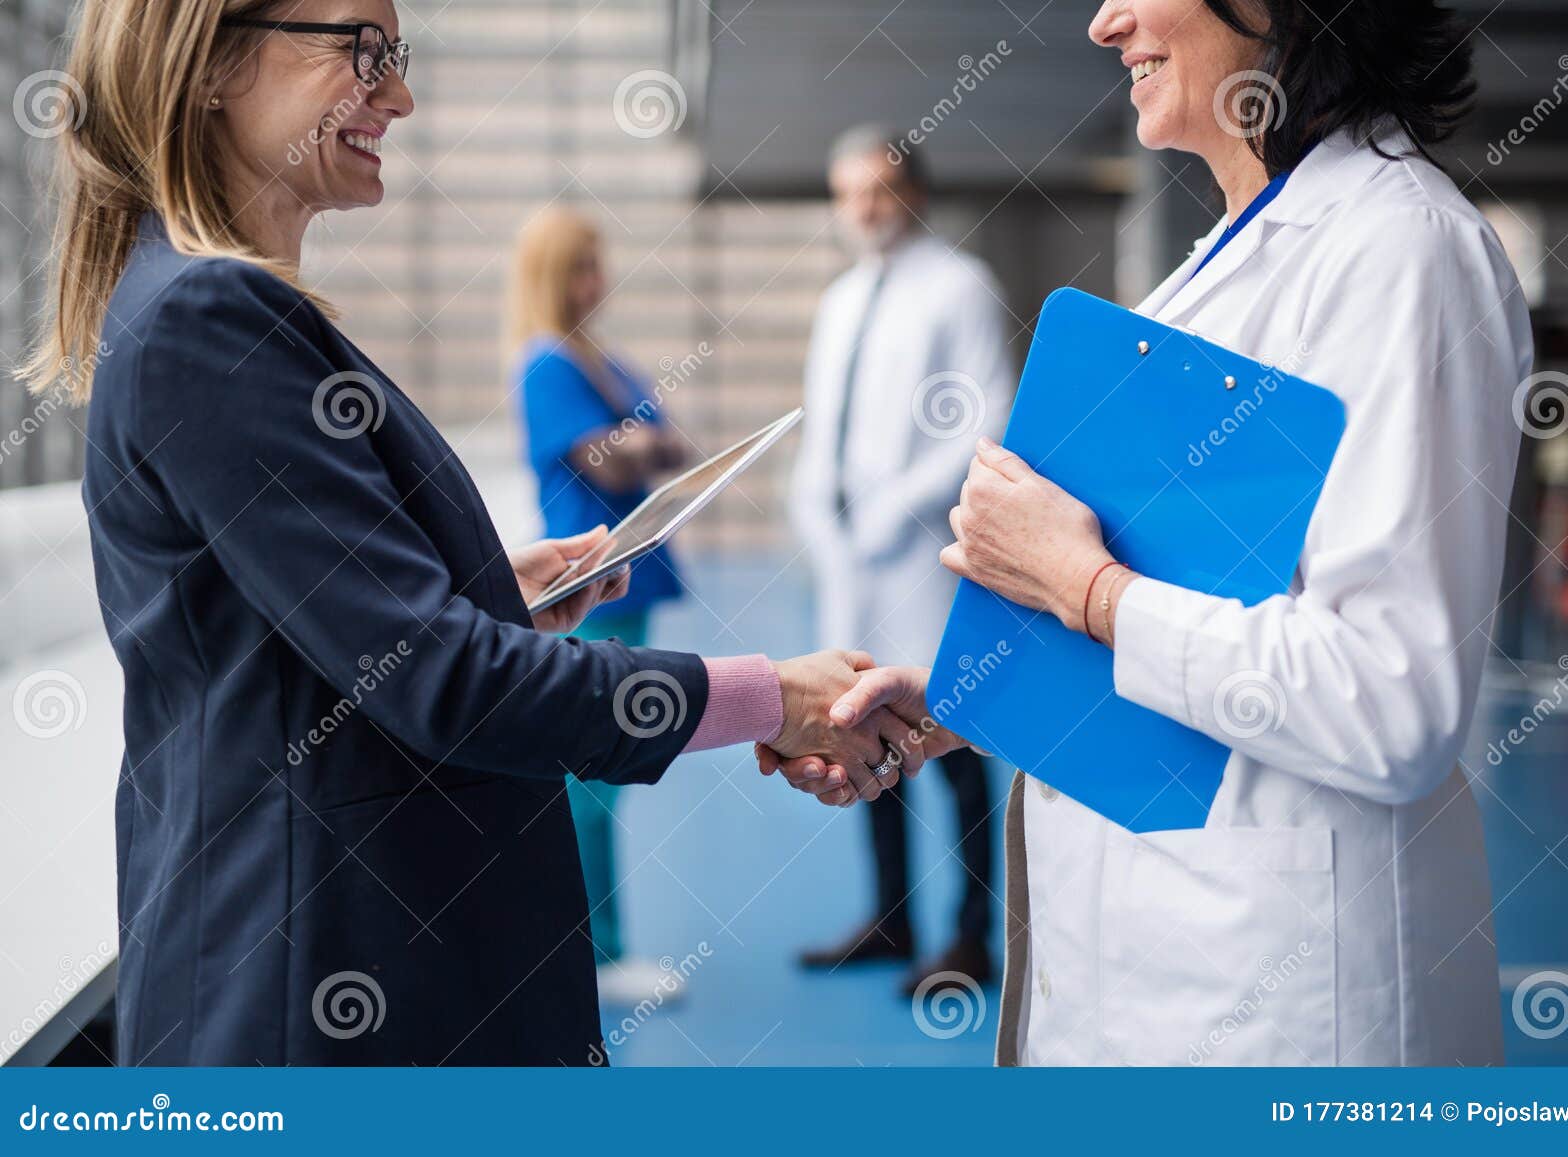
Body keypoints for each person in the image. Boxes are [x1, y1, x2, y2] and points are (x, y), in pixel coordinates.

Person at [24, 0, 937, 1066]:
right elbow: (439, 680)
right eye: (363, 52)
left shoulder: (199, 305)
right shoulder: (212, 320)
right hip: (314, 990)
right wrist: (774, 696)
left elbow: (302, 632)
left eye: (397, 58)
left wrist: (485, 591)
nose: (398, 95)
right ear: (215, 59)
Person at [768, 0, 1531, 1066]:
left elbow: (1392, 698)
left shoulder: (1401, 251)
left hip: (1280, 1001)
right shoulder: (1221, 264)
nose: (1103, 21)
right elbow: (1204, 605)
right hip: (1145, 975)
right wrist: (966, 706)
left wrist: (1083, 589)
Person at [787, 124, 1015, 994]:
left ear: (913, 191)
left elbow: (983, 417)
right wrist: (819, 512)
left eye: (878, 190)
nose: (864, 209)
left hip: (923, 553)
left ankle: (969, 936)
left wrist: (895, 505)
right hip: (852, 559)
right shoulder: (842, 298)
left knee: (951, 739)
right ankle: (890, 917)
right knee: (856, 730)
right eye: (848, 195)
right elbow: (822, 424)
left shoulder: (961, 286)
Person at [507, 207, 693, 1006]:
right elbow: (617, 466)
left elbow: (665, 447)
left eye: (598, 265)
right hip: (583, 587)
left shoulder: (601, 364)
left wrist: (637, 442)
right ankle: (595, 952)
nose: (595, 283)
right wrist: (638, 442)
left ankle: (596, 945)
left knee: (605, 773)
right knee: (591, 775)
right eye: (579, 268)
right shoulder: (548, 366)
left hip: (626, 582)